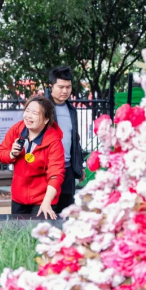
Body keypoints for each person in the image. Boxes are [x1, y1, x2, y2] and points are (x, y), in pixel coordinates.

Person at [0, 96, 65, 220]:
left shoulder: (54, 142)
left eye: (34, 113)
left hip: (43, 199)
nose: (28, 116)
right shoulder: (16, 130)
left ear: (46, 119)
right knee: (17, 231)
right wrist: (12, 154)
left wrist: (47, 202)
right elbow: (2, 153)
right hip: (18, 198)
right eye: (27, 111)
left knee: (39, 231)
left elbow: (55, 175)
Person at [47, 66, 86, 214]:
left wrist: (79, 165)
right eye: (61, 87)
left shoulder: (72, 110)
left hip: (68, 169)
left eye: (68, 87)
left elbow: (75, 139)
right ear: (51, 86)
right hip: (48, 169)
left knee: (66, 213)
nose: (65, 91)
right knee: (47, 212)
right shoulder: (42, 107)